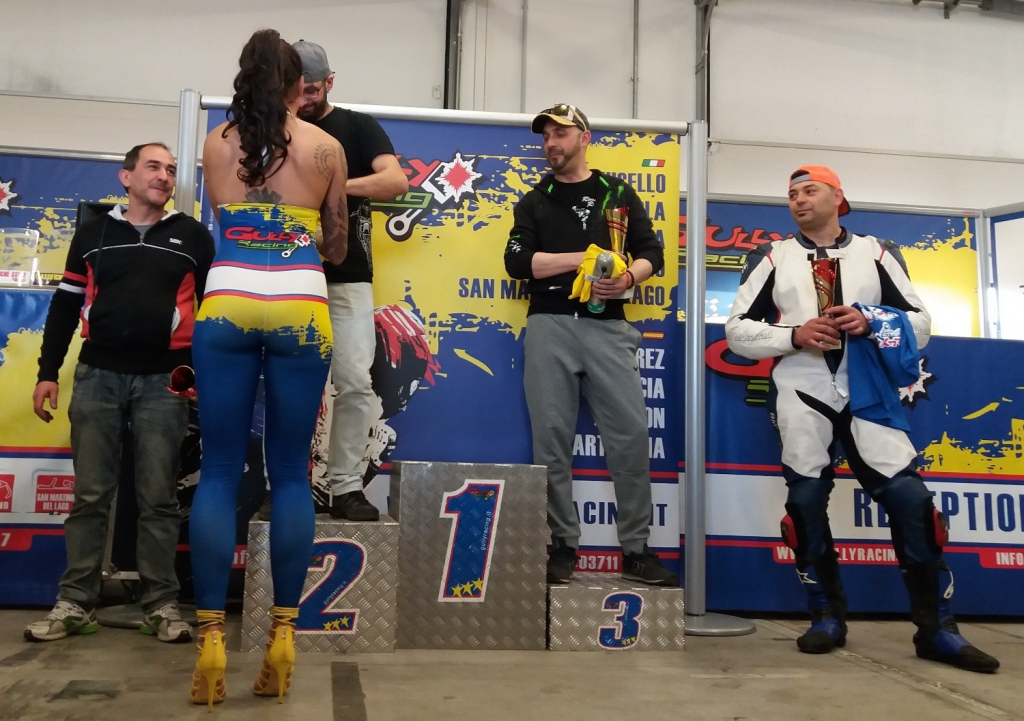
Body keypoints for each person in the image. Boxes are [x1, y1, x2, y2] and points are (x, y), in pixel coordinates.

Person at [725, 165, 999, 673]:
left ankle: (938, 629)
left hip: (869, 392)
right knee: (804, 506)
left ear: (838, 197)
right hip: (802, 390)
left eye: (810, 190)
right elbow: (737, 332)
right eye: (792, 194)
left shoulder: (878, 252)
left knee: (913, 504)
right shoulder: (772, 256)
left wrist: (872, 320)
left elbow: (920, 324)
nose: (798, 200)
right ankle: (825, 616)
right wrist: (793, 336)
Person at [187, 29, 348, 708]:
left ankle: (209, 640)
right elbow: (336, 245)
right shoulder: (325, 147)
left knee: (220, 469)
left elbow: (220, 218)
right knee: (289, 473)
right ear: (296, 86)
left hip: (227, 298)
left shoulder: (215, 143)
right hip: (300, 304)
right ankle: (283, 633)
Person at [26, 142, 216, 644]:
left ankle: (161, 605)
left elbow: (215, 312)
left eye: (171, 169)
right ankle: (75, 602)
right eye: (153, 167)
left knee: (158, 498)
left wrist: (201, 376)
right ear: (126, 177)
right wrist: (47, 372)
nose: (164, 176)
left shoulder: (194, 237)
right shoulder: (93, 234)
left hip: (166, 382)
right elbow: (65, 306)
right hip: (97, 376)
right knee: (90, 496)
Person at [504, 103, 678, 587]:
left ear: (585, 138)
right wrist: (583, 258)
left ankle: (637, 549)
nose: (551, 143)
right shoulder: (535, 199)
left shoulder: (618, 193)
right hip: (549, 324)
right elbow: (517, 263)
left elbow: (653, 252)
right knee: (551, 440)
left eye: (560, 133)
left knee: (631, 437)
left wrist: (627, 277)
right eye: (545, 136)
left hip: (609, 325)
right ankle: (561, 544)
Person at [262, 39, 407, 522]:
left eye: (312, 90)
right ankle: (283, 484)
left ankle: (345, 486)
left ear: (329, 82)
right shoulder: (273, 130)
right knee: (284, 383)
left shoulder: (356, 126)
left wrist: (329, 184)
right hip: (287, 272)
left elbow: (395, 182)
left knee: (355, 383)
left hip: (348, 276)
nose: (303, 98)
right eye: (296, 89)